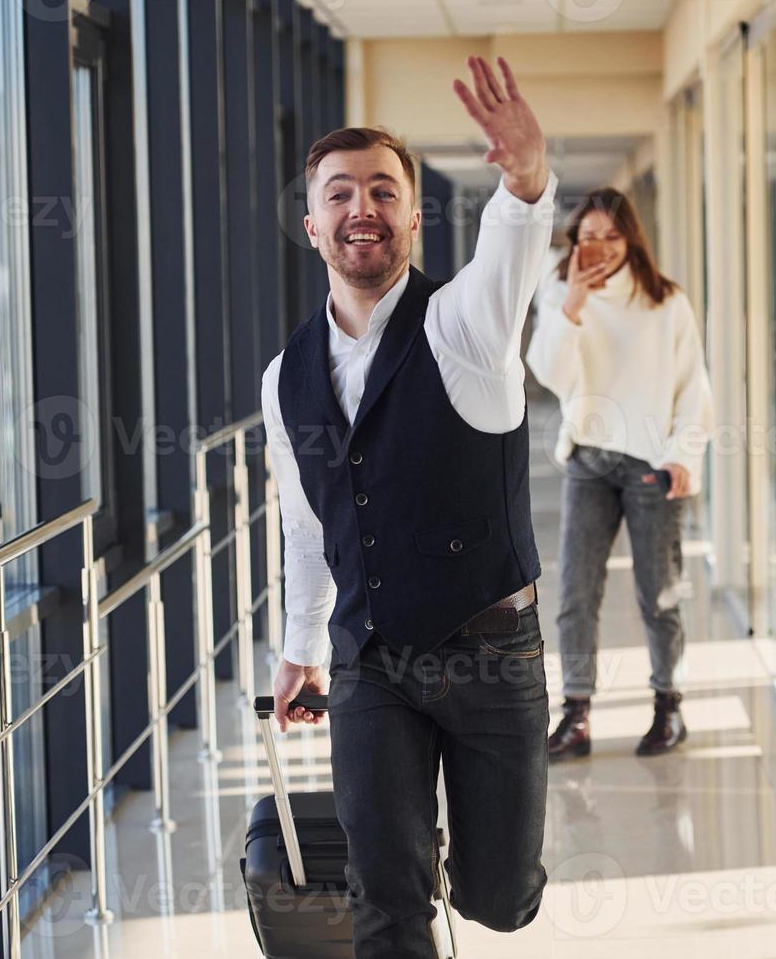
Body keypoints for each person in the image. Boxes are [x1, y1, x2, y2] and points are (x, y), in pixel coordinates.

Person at [261, 56, 556, 957]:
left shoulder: (466, 323)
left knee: (499, 900)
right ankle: (401, 857)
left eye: (384, 192)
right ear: (312, 226)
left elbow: (511, 246)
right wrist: (301, 650)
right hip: (369, 663)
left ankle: (466, 868)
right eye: (341, 194)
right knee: (383, 897)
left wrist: (527, 177)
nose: (363, 208)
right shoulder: (285, 377)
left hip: (488, 650)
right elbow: (309, 526)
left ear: (414, 217)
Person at [525, 188, 713, 759]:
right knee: (575, 593)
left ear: (630, 237)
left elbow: (693, 385)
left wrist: (684, 454)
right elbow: (550, 375)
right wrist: (573, 306)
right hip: (589, 457)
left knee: (658, 595)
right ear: (574, 242)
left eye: (610, 236)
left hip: (652, 464)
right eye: (588, 237)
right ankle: (577, 715)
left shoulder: (666, 301)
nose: (600, 247)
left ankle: (668, 708)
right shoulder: (559, 292)